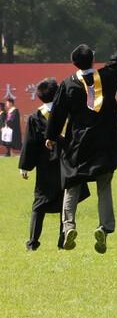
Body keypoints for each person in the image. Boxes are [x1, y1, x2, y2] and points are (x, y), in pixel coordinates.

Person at [47, 6, 117, 254]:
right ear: (93, 59)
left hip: (78, 144)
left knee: (72, 185)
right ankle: (104, 227)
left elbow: (57, 113)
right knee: (104, 186)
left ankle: (68, 227)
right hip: (104, 143)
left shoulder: (68, 84)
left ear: (74, 63)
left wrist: (51, 136)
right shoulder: (107, 76)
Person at [20, 79, 86, 250]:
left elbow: (30, 144)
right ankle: (62, 240)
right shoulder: (69, 114)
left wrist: (25, 166)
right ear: (58, 94)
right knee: (66, 202)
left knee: (39, 205)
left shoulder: (36, 117)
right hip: (67, 164)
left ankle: (33, 242)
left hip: (45, 167)